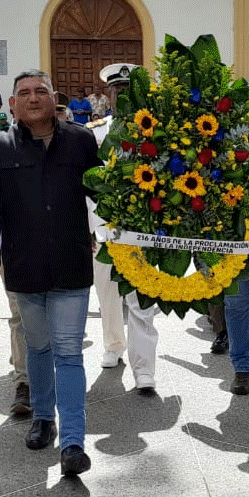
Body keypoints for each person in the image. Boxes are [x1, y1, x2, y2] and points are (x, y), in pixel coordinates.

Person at [0, 70, 101, 476]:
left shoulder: (81, 141)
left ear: (54, 97)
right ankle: (43, 418)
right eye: (23, 93)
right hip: (24, 265)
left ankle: (74, 442)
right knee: (39, 348)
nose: (32, 98)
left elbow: (103, 190)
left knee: (68, 350)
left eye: (40, 91)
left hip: (70, 262)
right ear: (11, 103)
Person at [87, 63, 162, 392]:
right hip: (105, 230)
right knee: (108, 295)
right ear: (109, 95)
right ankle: (113, 345)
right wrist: (91, 227)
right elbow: (86, 184)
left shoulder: (157, 133)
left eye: (130, 90)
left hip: (144, 231)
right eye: (117, 91)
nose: (123, 95)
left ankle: (144, 368)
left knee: (143, 301)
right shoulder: (96, 132)